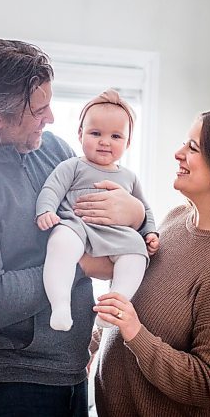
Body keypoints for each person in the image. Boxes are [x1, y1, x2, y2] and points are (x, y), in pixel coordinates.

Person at [0, 38, 146, 417]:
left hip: (67, 370)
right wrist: (80, 266)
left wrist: (135, 214)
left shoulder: (51, 149)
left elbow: (94, 219)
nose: (52, 117)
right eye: (39, 109)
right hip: (5, 381)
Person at [93, 110, 210, 417]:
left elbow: (209, 384)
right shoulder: (174, 220)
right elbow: (134, 298)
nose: (178, 153)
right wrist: (94, 342)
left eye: (193, 148)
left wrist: (134, 333)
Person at [36, 89, 159, 331]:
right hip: (77, 225)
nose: (105, 141)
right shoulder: (72, 166)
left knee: (136, 254)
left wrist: (150, 232)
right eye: (95, 133)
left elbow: (145, 208)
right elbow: (51, 189)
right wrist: (46, 211)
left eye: (115, 136)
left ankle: (113, 306)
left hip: (115, 233)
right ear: (80, 134)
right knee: (60, 243)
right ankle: (60, 304)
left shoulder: (129, 177)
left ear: (128, 142)